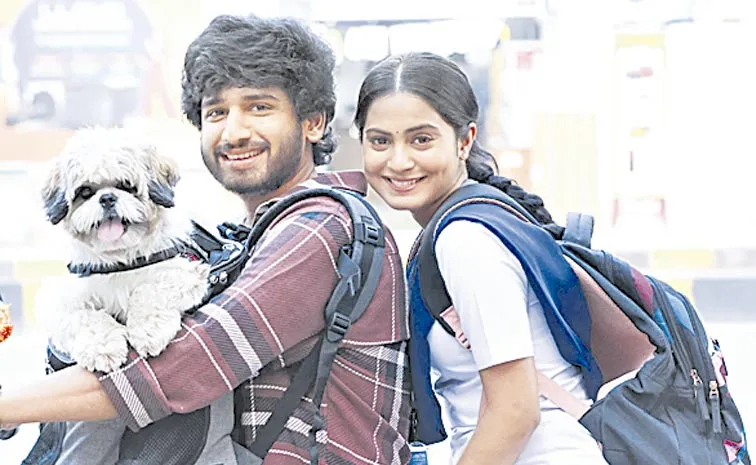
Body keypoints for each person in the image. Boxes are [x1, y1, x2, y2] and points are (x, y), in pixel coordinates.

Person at [0, 15, 411, 465]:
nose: (234, 132)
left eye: (259, 107)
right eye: (216, 112)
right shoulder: (251, 235)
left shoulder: (319, 231)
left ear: (313, 122)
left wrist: (8, 407)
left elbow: (180, 369)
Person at [353, 52, 608, 465]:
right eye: (380, 141)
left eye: (421, 140)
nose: (399, 161)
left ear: (465, 140)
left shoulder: (466, 241)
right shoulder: (472, 219)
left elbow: (515, 411)